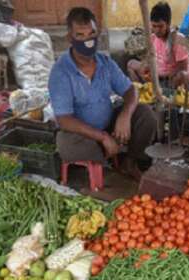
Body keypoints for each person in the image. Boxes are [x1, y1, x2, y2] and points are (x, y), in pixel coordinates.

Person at [48, 7, 157, 181]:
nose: (88, 40)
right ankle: (108, 168)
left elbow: (130, 90)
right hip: (83, 134)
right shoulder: (60, 72)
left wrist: (125, 115)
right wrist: (102, 137)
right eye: (80, 35)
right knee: (67, 145)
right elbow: (64, 119)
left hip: (108, 123)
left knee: (146, 114)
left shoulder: (105, 62)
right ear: (70, 38)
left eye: (91, 34)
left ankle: (129, 162)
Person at [127, 2, 189, 88]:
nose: (157, 30)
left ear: (168, 24)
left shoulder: (178, 40)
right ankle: (141, 92)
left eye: (160, 26)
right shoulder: (153, 38)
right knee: (131, 64)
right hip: (156, 77)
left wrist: (160, 74)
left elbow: (182, 69)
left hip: (171, 80)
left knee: (183, 75)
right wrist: (145, 67)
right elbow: (149, 58)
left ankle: (168, 95)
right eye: (154, 26)